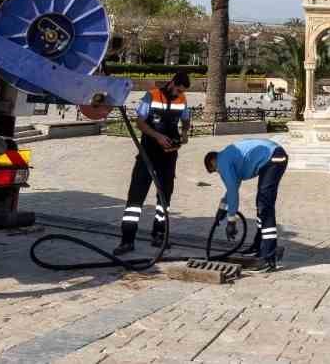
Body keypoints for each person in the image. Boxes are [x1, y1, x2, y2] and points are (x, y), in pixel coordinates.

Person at [115, 71, 193, 255]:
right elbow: (140, 123)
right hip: (148, 152)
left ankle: (158, 234)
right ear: (172, 82)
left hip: (169, 154)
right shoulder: (152, 95)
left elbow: (186, 118)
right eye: (177, 90)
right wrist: (158, 137)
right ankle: (127, 240)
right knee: (136, 196)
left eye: (181, 92)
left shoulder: (182, 98)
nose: (178, 94)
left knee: (164, 197)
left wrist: (184, 133)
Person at [204, 137, 288, 271]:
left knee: (265, 207)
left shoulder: (222, 161)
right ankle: (259, 247)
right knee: (261, 205)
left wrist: (231, 221)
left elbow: (232, 191)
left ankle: (269, 258)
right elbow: (232, 188)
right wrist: (222, 209)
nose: (218, 172)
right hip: (273, 156)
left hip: (273, 158)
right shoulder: (228, 157)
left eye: (215, 169)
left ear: (213, 161)